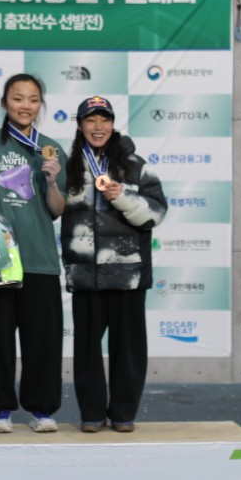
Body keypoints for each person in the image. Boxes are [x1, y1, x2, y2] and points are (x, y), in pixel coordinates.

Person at [0, 73, 67, 434]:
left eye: (33, 99)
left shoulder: (51, 149)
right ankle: (0, 410)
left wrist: (51, 181)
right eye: (18, 98)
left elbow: (57, 209)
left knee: (43, 340)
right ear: (5, 102)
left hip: (39, 256)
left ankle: (42, 409)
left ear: (41, 105)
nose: (26, 106)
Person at [61, 95, 166, 434]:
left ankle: (123, 414)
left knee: (128, 350)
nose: (98, 126)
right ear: (80, 126)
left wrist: (123, 197)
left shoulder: (137, 166)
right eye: (90, 120)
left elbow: (157, 214)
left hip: (128, 274)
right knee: (87, 351)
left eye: (104, 119)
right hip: (85, 273)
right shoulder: (69, 167)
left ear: (112, 124)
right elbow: (52, 208)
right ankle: (92, 413)